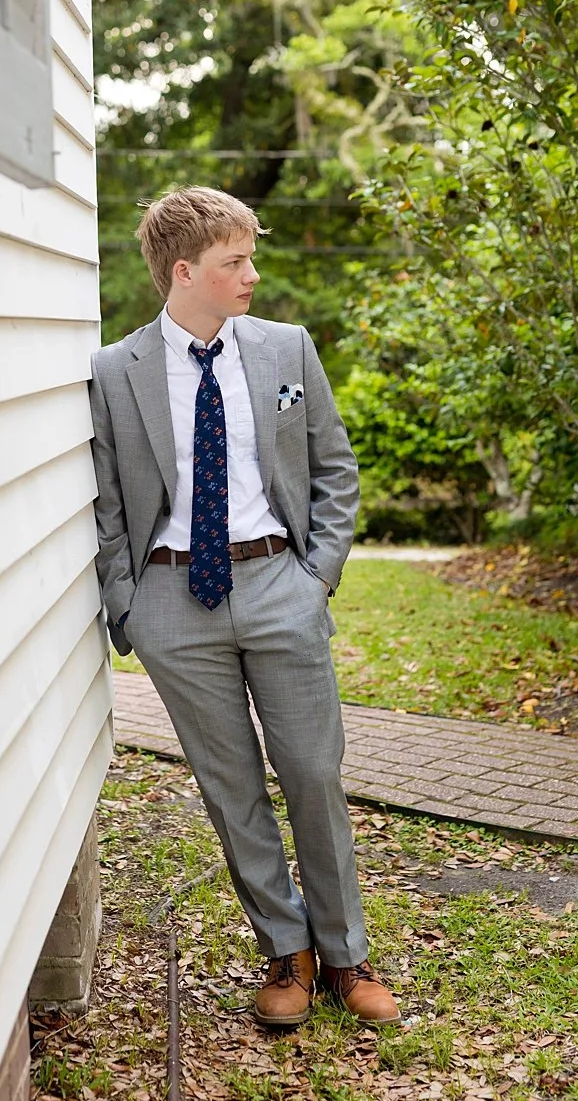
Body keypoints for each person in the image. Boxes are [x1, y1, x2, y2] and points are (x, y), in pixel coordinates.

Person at [89, 186, 397, 1035]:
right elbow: (108, 499)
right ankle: (286, 953)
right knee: (232, 790)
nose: (252, 272)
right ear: (184, 271)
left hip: (277, 585)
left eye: (251, 255)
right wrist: (129, 605)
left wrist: (316, 575)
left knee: (313, 773)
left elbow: (335, 467)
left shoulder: (286, 348)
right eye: (235, 260)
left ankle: (346, 955)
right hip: (171, 601)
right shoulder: (116, 369)